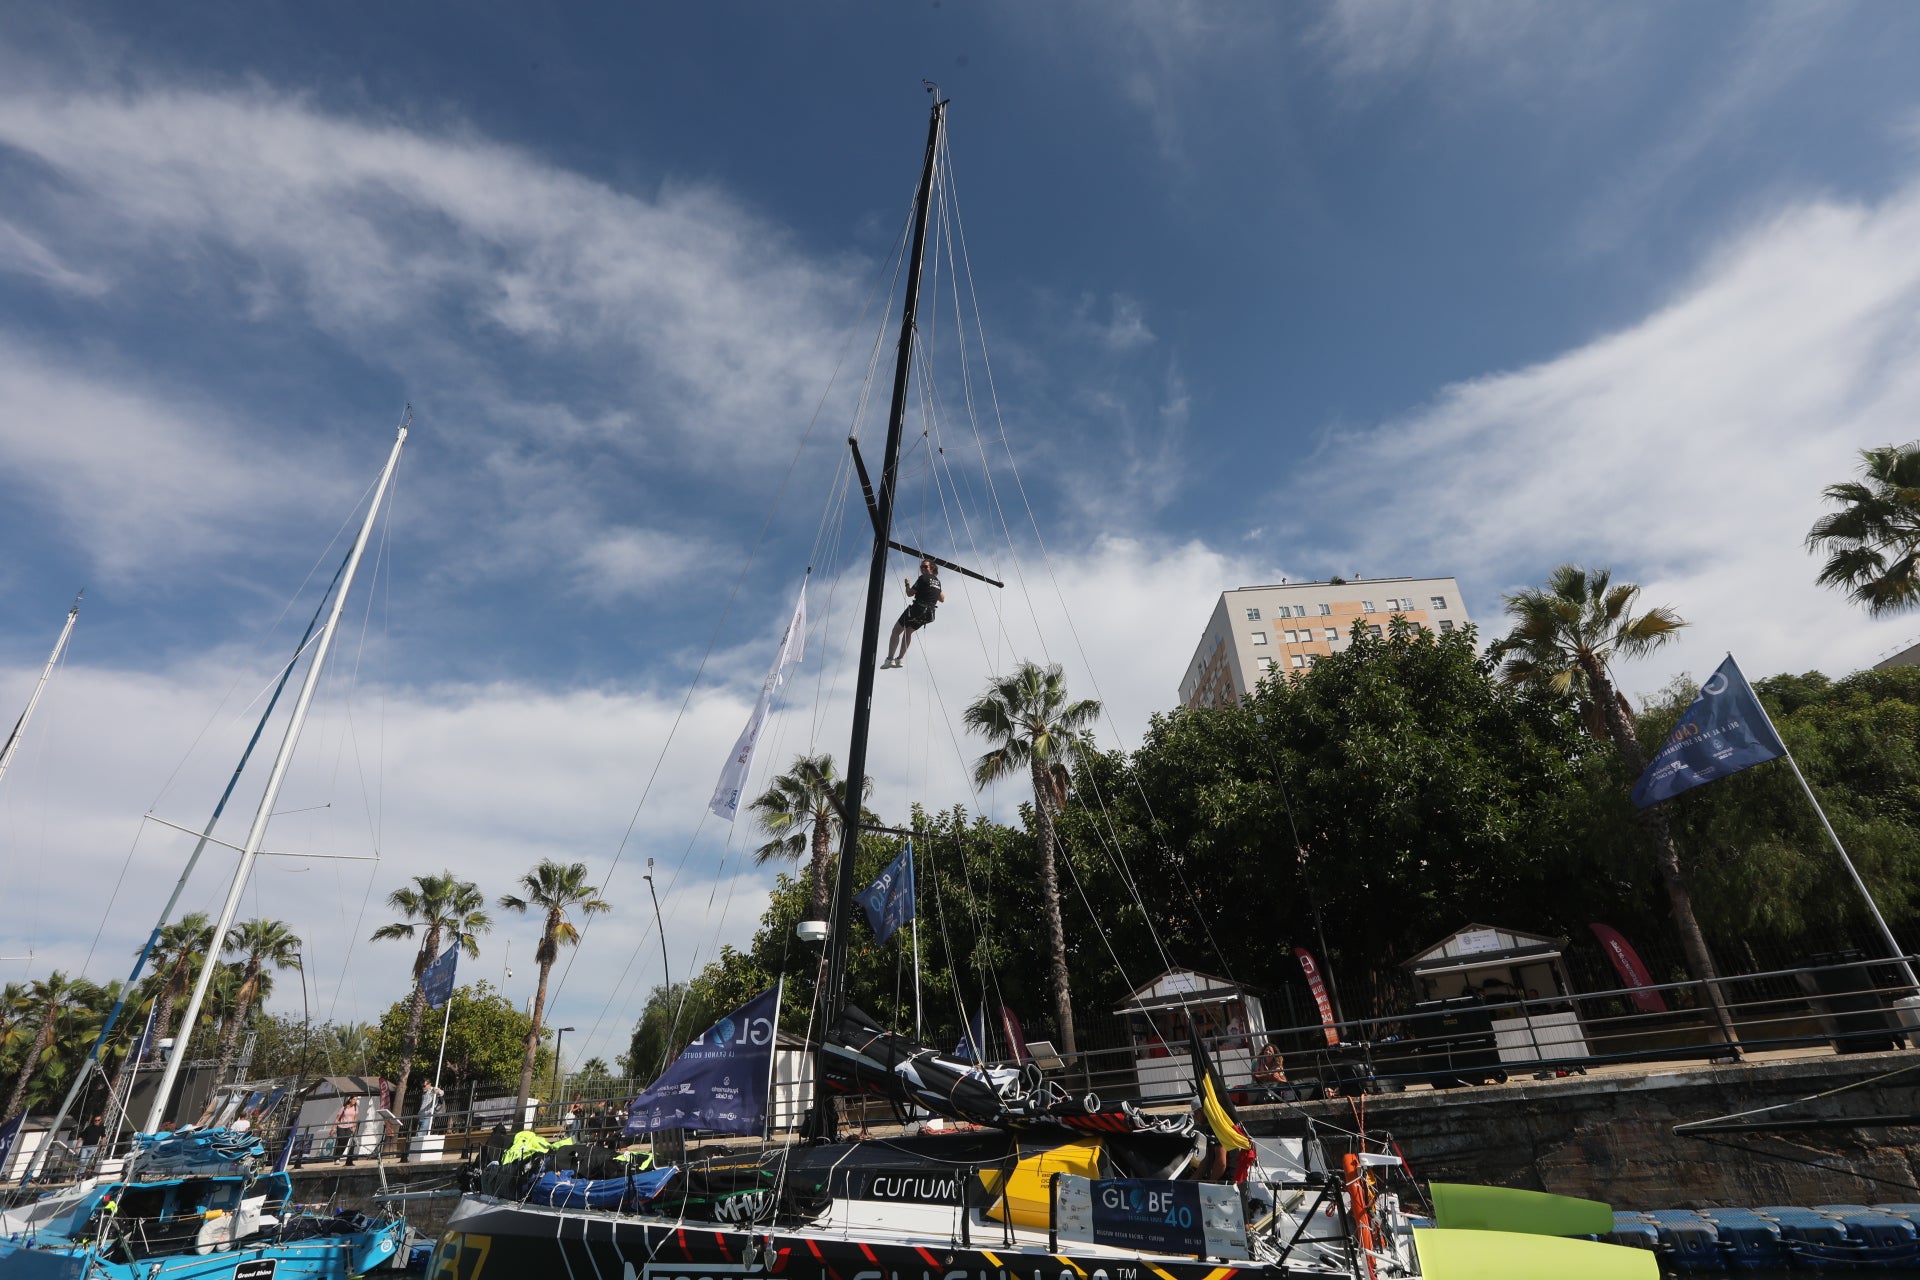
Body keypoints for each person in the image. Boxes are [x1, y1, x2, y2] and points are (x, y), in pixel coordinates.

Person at [881, 558, 944, 669]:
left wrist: (907, 584)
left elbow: (909, 593)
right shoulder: (938, 582)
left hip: (917, 609)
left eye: (925, 566)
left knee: (895, 631)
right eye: (921, 567)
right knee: (908, 632)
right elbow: (942, 598)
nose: (922, 568)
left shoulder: (922, 578)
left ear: (932, 568)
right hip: (928, 614)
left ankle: (889, 659)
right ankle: (900, 659)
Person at [333, 1095, 360, 1166]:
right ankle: (337, 1158)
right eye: (354, 1099)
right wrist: (333, 1128)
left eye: (356, 1100)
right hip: (341, 1126)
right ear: (350, 1099)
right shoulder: (344, 1108)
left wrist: (354, 1126)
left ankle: (338, 1156)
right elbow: (337, 1118)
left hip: (349, 1127)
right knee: (341, 1141)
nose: (355, 1101)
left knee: (345, 1142)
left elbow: (355, 1118)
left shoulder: (355, 1108)